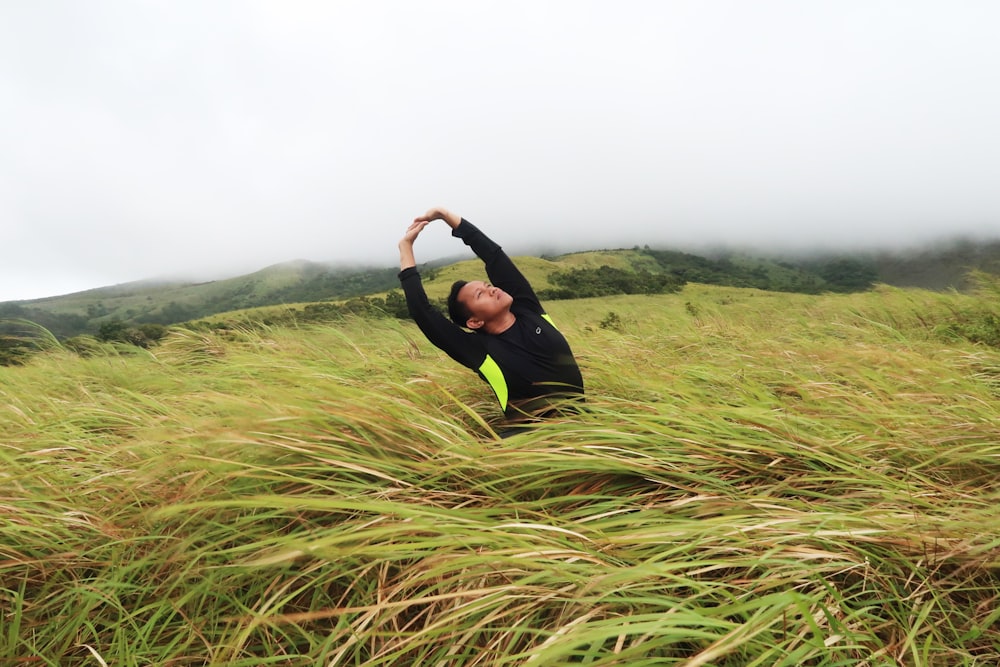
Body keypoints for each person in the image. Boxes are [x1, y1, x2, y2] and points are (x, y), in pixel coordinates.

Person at [398, 207, 584, 426]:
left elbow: (494, 256)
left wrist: (446, 215)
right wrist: (406, 247)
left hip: (582, 425)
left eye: (488, 285)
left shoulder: (528, 310)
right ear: (474, 321)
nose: (492, 289)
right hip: (531, 442)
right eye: (480, 294)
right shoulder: (478, 350)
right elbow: (422, 311)